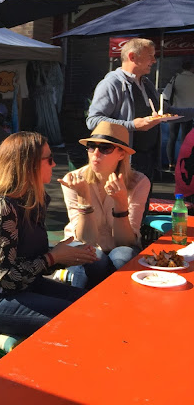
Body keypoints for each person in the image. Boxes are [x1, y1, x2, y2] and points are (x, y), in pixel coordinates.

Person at [0, 131, 97, 337]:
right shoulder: (1, 207)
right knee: (80, 320)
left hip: (21, 287)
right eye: (49, 159)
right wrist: (53, 257)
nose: (53, 163)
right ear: (28, 165)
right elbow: (3, 277)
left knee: (94, 304)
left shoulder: (33, 199)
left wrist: (63, 256)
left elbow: (26, 259)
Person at [87, 38, 194, 184]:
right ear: (132, 57)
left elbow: (168, 112)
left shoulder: (146, 83)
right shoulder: (111, 84)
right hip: (123, 163)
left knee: (143, 204)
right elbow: (93, 120)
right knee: (124, 206)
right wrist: (132, 125)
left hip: (148, 160)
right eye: (150, 55)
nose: (154, 61)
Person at [59, 122, 150, 289]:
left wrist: (121, 202)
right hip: (83, 246)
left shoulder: (139, 182)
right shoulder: (73, 179)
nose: (96, 154)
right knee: (94, 259)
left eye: (105, 148)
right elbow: (86, 240)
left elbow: (126, 242)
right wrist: (84, 198)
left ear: (121, 154)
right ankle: (77, 308)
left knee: (123, 255)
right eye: (91, 147)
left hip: (119, 247)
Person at [164, 61, 194, 170]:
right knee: (185, 139)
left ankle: (171, 163)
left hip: (174, 111)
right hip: (189, 112)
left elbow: (166, 94)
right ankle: (184, 163)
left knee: (172, 137)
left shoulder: (176, 78)